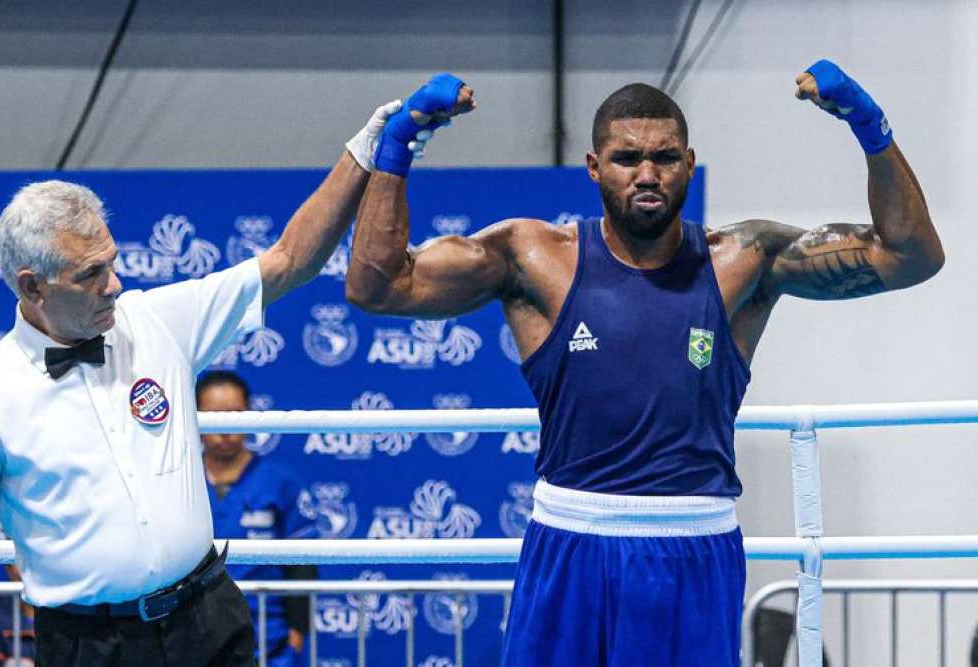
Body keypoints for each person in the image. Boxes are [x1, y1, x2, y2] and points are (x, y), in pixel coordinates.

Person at [345, 62, 944, 666]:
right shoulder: (532, 257)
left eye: (664, 156)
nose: (647, 174)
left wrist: (869, 125)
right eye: (628, 158)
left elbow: (911, 256)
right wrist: (399, 146)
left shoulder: (743, 259)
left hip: (693, 545)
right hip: (569, 539)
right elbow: (377, 286)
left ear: (688, 162)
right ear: (594, 167)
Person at [0, 86, 435, 665]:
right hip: (88, 648)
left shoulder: (154, 322)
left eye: (113, 263)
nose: (114, 284)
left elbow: (290, 260)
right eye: (91, 274)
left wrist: (365, 150)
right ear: (31, 285)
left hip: (209, 619)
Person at [197, 370, 318, 667]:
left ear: (250, 415)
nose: (225, 428)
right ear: (194, 416)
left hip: (270, 637)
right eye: (214, 415)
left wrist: (297, 632)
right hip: (193, 634)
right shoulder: (178, 480)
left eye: (235, 414)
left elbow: (303, 560)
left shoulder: (281, 482)